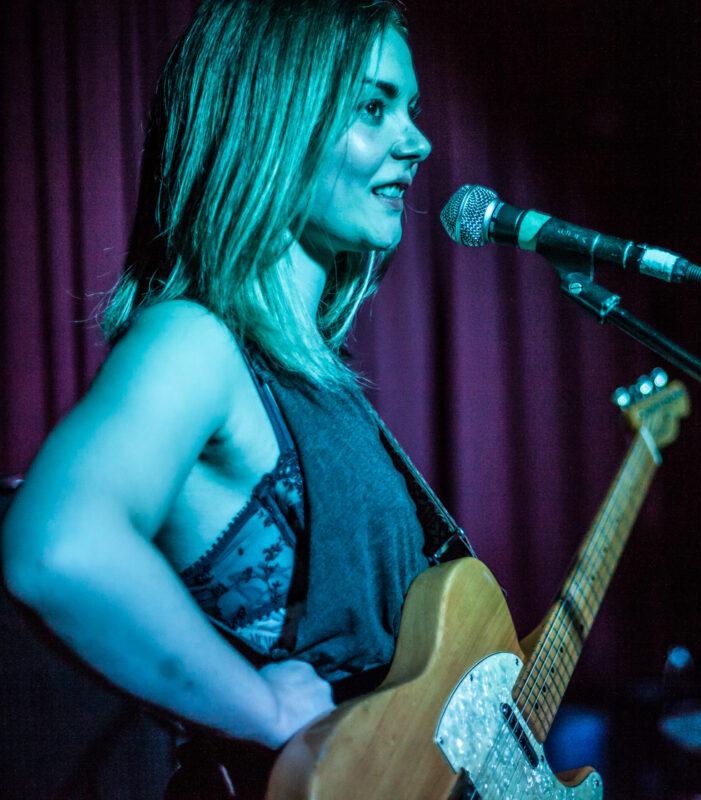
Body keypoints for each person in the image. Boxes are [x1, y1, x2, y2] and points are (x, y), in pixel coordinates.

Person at [1, 0, 463, 794]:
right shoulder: (195, 342)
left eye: (410, 108)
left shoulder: (309, 377)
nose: (416, 141)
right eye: (372, 107)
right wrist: (260, 706)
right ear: (272, 121)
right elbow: (57, 546)